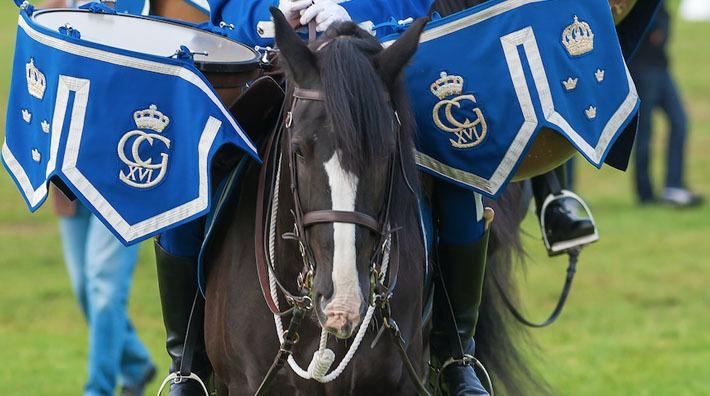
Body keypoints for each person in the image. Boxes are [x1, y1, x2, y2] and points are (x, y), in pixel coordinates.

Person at [51, 183, 156, 396]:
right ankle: (136, 364)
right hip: (68, 187)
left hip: (119, 185)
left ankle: (98, 390)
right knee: (84, 288)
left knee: (105, 292)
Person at [629, 1, 704, 207]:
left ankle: (673, 185)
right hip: (642, 68)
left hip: (661, 66)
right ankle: (645, 193)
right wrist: (655, 30)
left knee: (680, 122)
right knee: (645, 132)